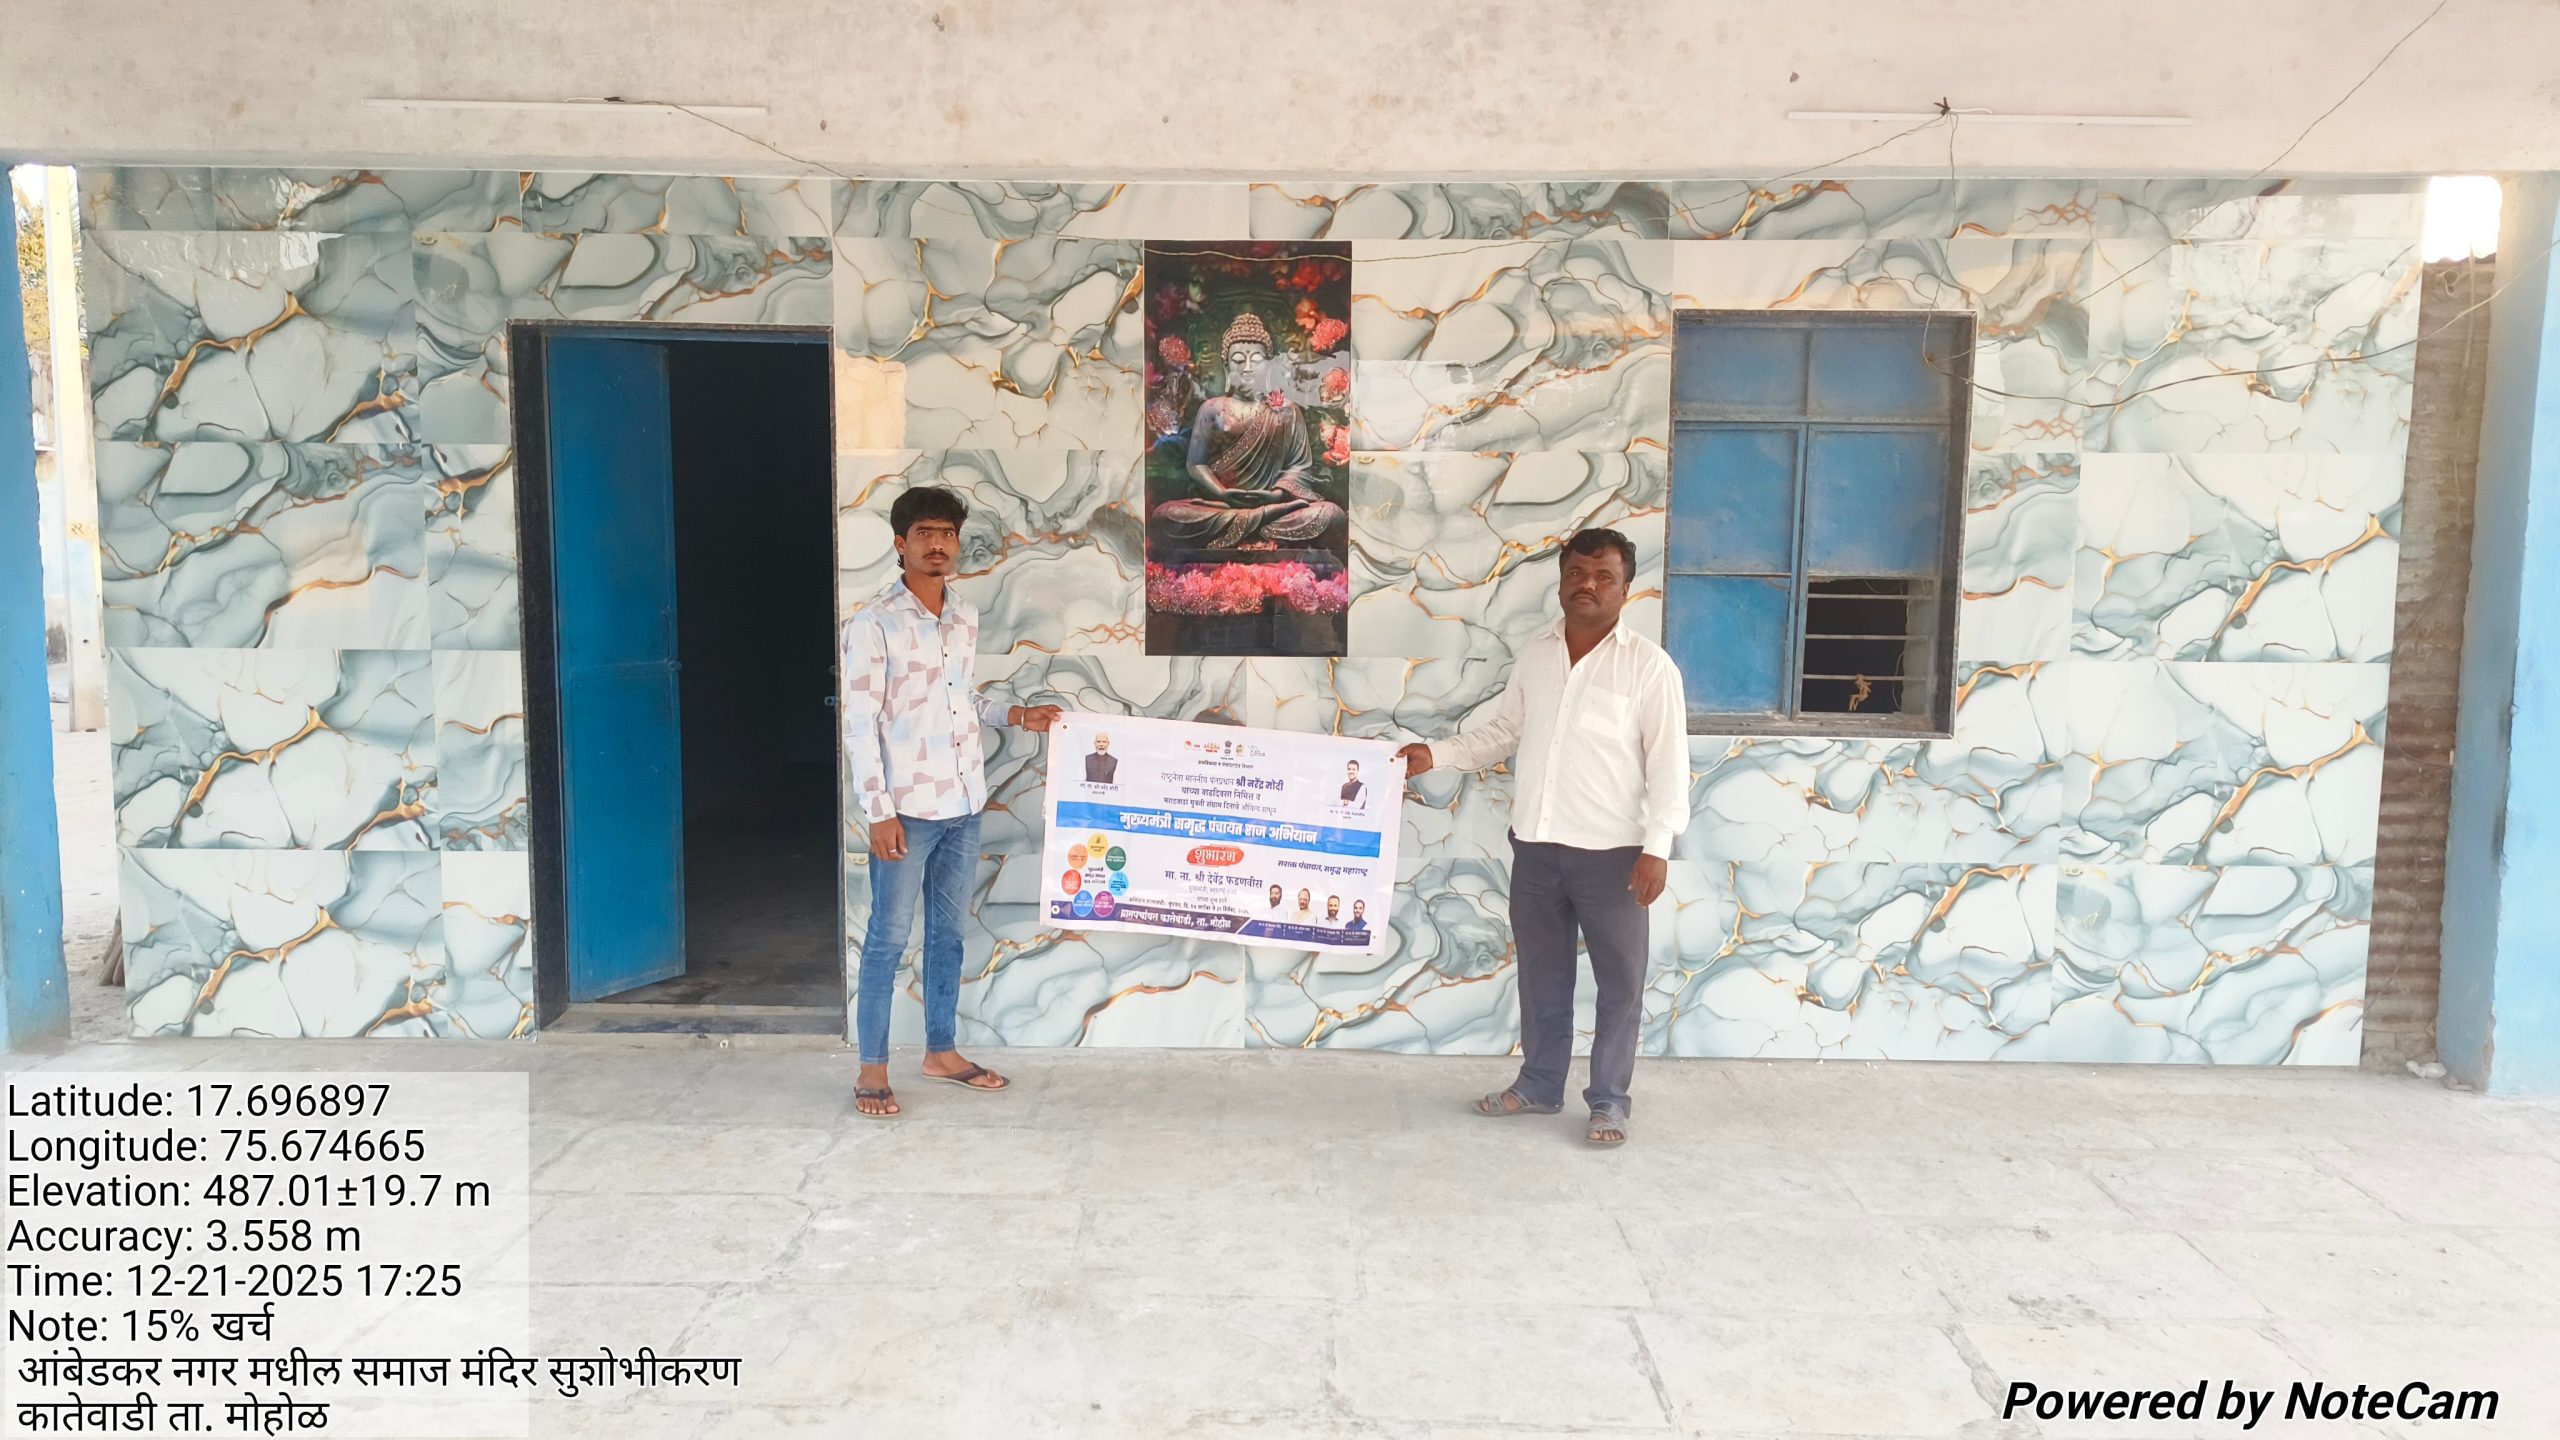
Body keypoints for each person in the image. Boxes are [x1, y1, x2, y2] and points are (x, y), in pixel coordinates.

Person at [1393, 528, 1687, 1147]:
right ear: (1560, 580)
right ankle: (1539, 1085)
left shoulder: (1649, 667)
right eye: (1577, 573)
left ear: (1627, 589)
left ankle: (1608, 1101)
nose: (1588, 585)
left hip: (1614, 857)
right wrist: (1434, 754)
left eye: (1604, 576)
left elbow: (1668, 765)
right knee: (1542, 977)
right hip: (1536, 849)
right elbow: (1503, 733)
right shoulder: (1536, 654)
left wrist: (1657, 848)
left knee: (1620, 986)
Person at [843, 485, 1062, 1119]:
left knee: (947, 935)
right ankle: (872, 1070)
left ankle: (940, 1052)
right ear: (900, 543)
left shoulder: (963, 615)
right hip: (907, 810)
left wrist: (1017, 714)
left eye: (947, 534)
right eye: (925, 534)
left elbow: (962, 697)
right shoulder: (873, 624)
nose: (938, 544)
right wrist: (878, 810)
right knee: (887, 940)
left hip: (964, 802)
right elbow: (859, 723)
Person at [1146, 312, 1345, 550]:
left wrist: (1277, 495)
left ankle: (1253, 525)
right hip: (1221, 507)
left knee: (1331, 515)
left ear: (1269, 365)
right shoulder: (1212, 409)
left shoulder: (1288, 411)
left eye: (1256, 360)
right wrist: (1221, 493)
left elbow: (1299, 467)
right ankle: (1259, 528)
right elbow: (1196, 465)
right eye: (1238, 361)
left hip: (1276, 506)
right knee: (1165, 515)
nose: (1247, 368)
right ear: (1226, 366)